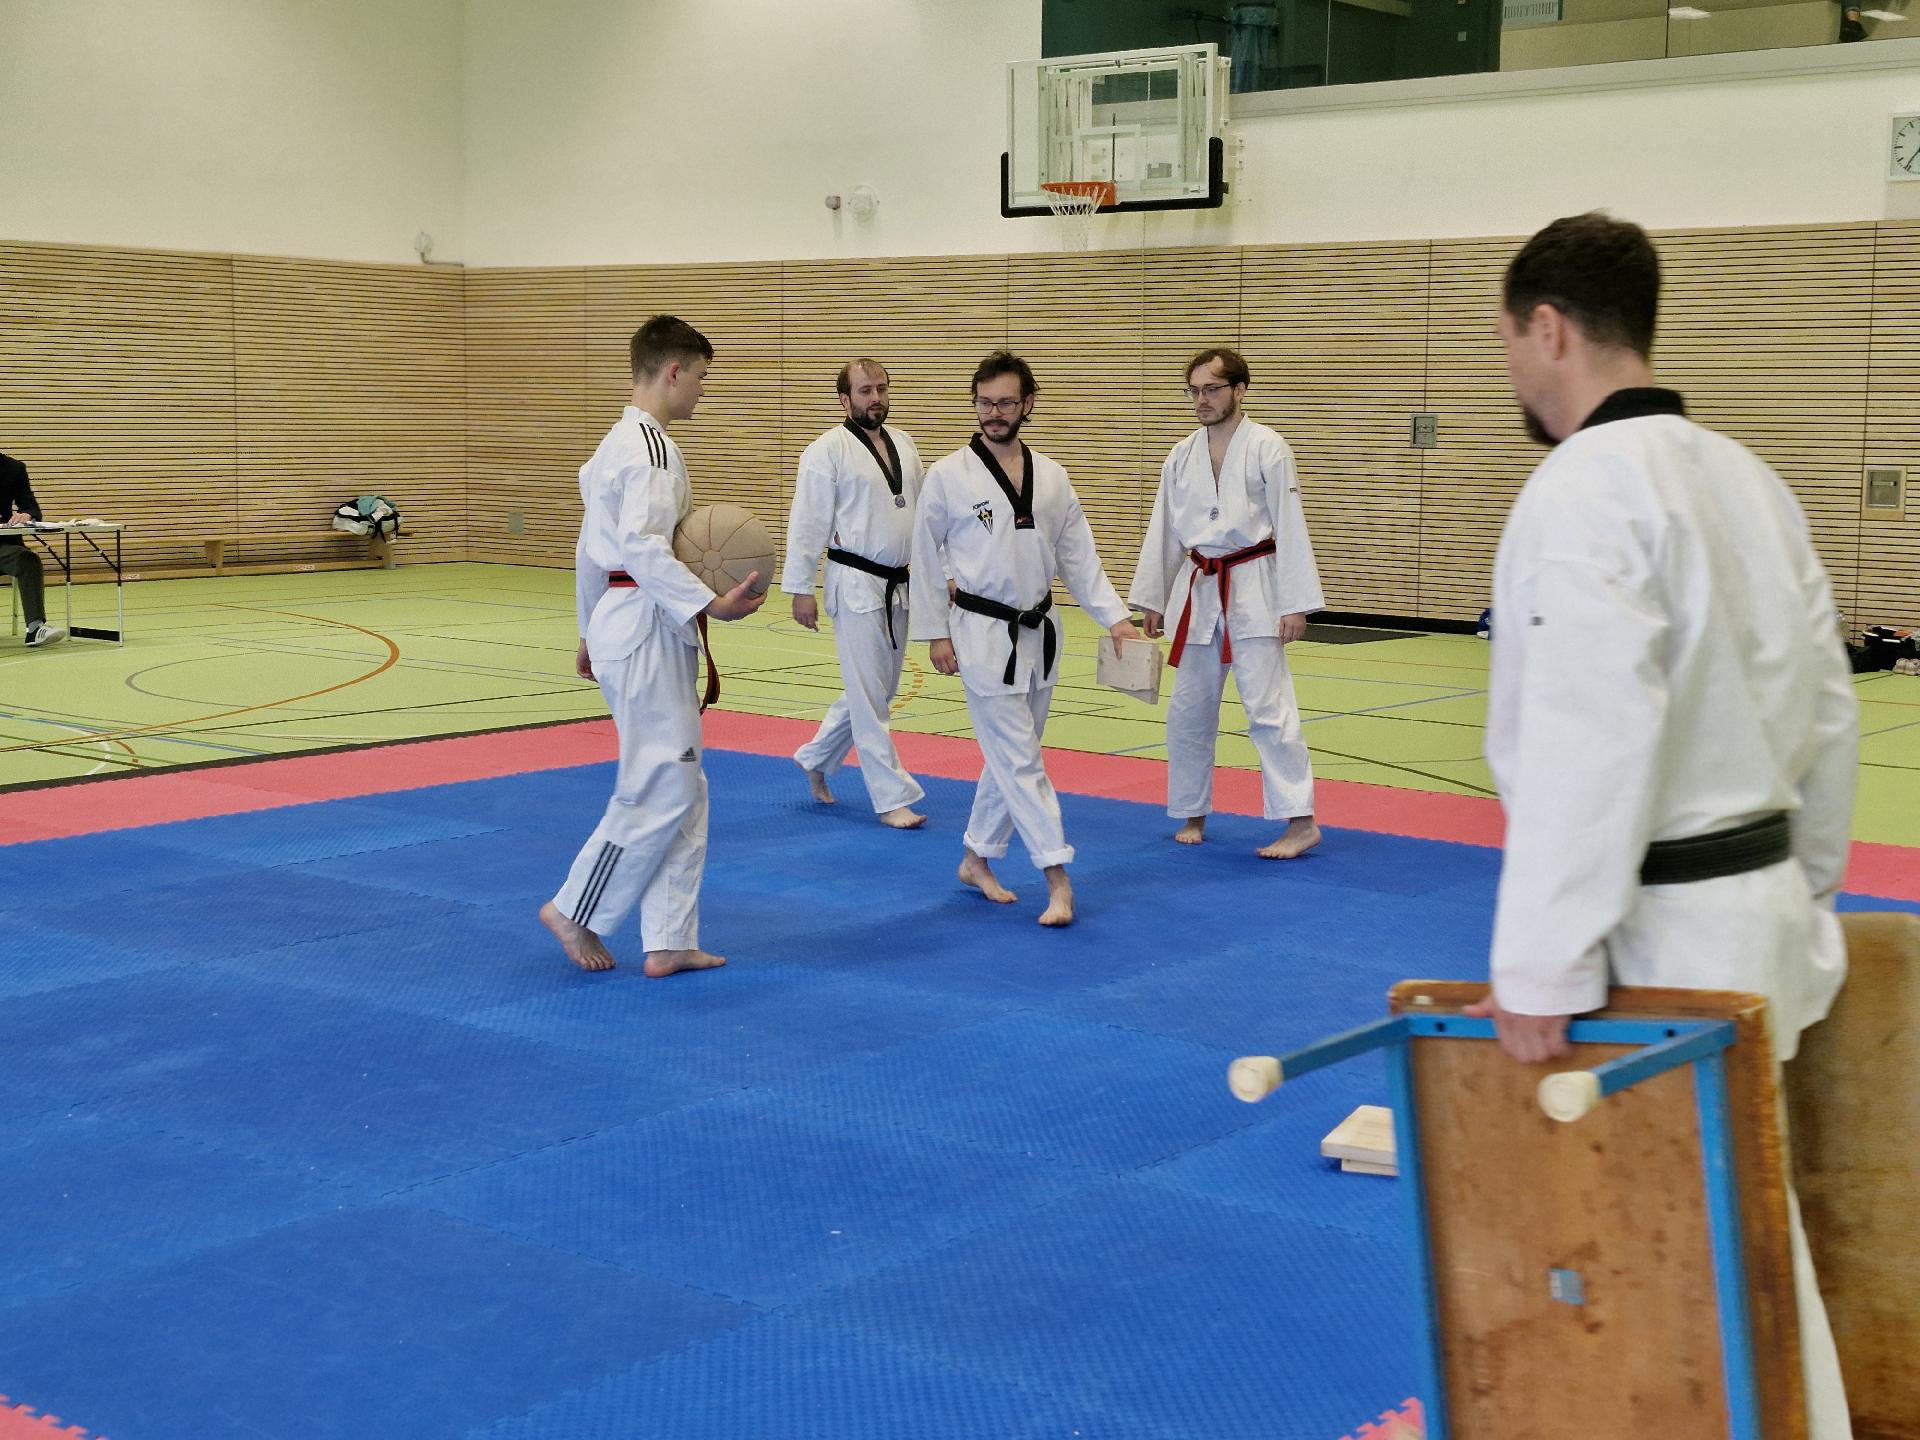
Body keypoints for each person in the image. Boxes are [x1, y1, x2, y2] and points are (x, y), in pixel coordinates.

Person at [1466, 212, 1858, 1436]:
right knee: (1745, 1241)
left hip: (1662, 939)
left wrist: (1540, 964)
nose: (1512, 372)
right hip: (1759, 912)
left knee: (1678, 1261)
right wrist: (1810, 894)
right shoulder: (1750, 480)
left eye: (1509, 343)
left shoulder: (1581, 490)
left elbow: (1589, 736)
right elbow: (1829, 710)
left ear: (1548, 328)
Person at [538, 315, 766, 977]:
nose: (702, 390)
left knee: (684, 784)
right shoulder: (651, 449)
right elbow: (640, 546)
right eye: (700, 377)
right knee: (661, 783)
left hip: (622, 617)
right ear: (673, 371)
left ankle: (668, 938)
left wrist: (588, 629)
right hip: (643, 624)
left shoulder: (614, 445)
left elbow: (589, 550)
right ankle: (575, 907)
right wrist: (709, 602)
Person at [909, 350, 1143, 927]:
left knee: (1011, 756)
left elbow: (1079, 558)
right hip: (982, 634)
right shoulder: (948, 476)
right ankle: (1057, 877)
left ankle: (975, 858)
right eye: (985, 403)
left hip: (1040, 632)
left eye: (1006, 403)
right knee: (1021, 760)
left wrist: (1114, 617)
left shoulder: (1053, 476)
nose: (994, 413)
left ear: (1028, 404)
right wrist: (935, 632)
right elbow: (923, 557)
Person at [1130, 347, 1323, 859]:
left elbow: (1291, 525)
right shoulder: (1181, 455)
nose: (1202, 399)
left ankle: (1300, 820)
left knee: (1268, 708)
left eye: (1212, 389)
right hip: (1198, 586)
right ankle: (1192, 810)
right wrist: (1153, 597)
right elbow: (1164, 528)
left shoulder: (1268, 448)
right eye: (1194, 390)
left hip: (1255, 586)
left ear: (1240, 390)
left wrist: (1296, 603)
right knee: (1188, 711)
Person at [781, 359, 928, 828]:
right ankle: (891, 798)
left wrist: (938, 574)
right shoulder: (826, 450)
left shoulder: (905, 443)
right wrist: (800, 587)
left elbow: (922, 517)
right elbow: (807, 522)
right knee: (869, 697)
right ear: (845, 399)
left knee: (878, 690)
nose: (876, 398)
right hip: (854, 583)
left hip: (898, 583)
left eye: (881, 388)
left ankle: (816, 757)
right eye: (865, 391)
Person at [1, 451, 68, 649]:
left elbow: (31, 507)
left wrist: (26, 515)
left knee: (28, 559)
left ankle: (35, 628)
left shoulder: (14, 468)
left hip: (4, 546)